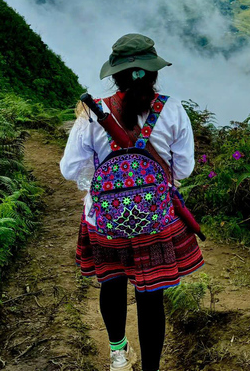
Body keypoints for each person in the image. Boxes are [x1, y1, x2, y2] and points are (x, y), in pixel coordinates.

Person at [60, 34, 204, 371]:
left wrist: (102, 177)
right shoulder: (172, 110)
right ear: (154, 73)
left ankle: (118, 354)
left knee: (111, 282)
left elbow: (69, 169)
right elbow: (183, 168)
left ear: (115, 75)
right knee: (150, 297)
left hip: (103, 221)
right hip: (155, 223)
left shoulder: (92, 113)